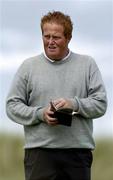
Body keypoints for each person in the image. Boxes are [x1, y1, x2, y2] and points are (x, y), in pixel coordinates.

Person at [6, 11, 107, 180]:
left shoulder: (87, 64)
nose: (50, 42)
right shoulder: (28, 67)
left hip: (78, 154)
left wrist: (74, 104)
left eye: (56, 37)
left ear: (68, 38)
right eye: (46, 36)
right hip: (39, 154)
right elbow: (11, 106)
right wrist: (40, 114)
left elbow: (101, 104)